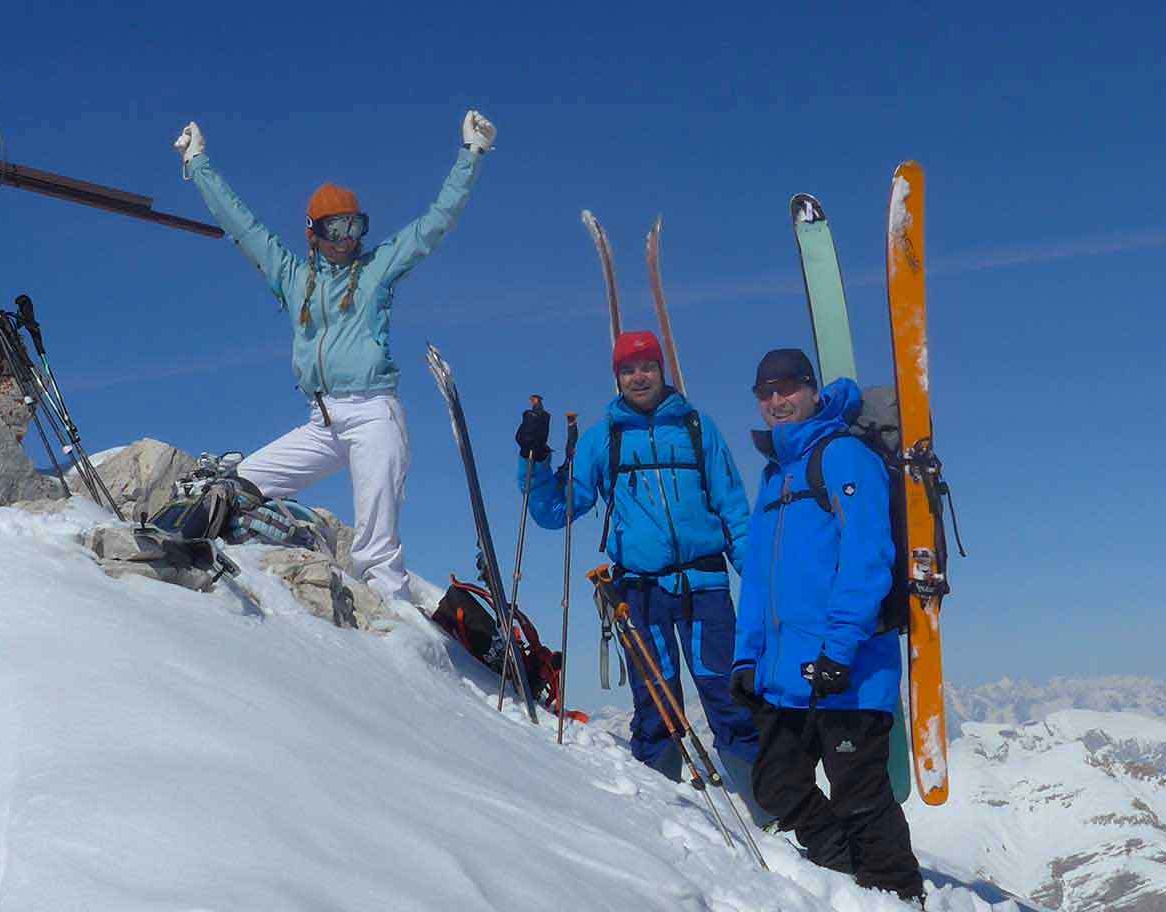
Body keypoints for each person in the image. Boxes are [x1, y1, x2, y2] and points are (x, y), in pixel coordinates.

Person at [170, 111, 495, 603]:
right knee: (238, 488)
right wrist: (199, 163)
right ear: (313, 232)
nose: (349, 239)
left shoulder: (376, 270)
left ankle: (396, 637)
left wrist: (470, 156)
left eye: (355, 226)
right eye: (337, 227)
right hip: (321, 422)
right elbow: (242, 224)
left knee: (375, 550)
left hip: (373, 416)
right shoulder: (294, 276)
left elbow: (433, 225)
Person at [515, 331, 758, 776]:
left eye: (647, 366)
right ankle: (654, 824)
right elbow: (554, 511)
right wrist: (533, 459)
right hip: (640, 593)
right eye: (628, 369)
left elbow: (734, 511)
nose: (639, 376)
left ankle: (768, 817)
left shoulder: (697, 428)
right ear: (617, 377)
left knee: (728, 698)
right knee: (655, 706)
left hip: (706, 585)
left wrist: (761, 584)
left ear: (662, 370)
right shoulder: (602, 439)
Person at [729, 348, 923, 903]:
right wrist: (747, 658)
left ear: (813, 390)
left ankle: (899, 895)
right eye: (765, 392)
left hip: (850, 671)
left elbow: (868, 558)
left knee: (860, 798)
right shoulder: (774, 476)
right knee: (776, 783)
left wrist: (839, 649)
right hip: (787, 675)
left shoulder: (843, 456)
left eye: (787, 386)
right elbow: (761, 584)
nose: (776, 400)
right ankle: (844, 883)